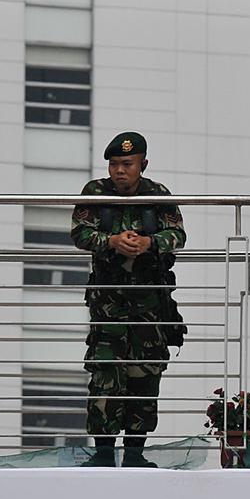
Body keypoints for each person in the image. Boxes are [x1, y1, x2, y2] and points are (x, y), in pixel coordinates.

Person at [71, 132, 186, 468]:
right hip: (108, 304)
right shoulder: (96, 192)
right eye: (114, 164)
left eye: (127, 164)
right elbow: (80, 232)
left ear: (142, 165)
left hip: (150, 303)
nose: (119, 171)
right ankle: (103, 453)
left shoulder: (158, 195)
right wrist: (112, 242)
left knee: (145, 374)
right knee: (105, 375)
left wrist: (148, 243)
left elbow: (177, 234)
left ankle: (136, 453)